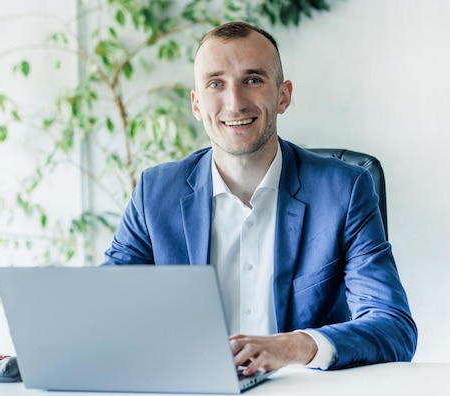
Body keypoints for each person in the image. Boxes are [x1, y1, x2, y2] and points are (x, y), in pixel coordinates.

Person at [102, 21, 417, 374]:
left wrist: (295, 346)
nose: (235, 103)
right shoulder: (155, 193)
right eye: (215, 83)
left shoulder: (345, 190)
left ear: (283, 95)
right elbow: (104, 313)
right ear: (196, 103)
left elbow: (394, 328)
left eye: (253, 80)